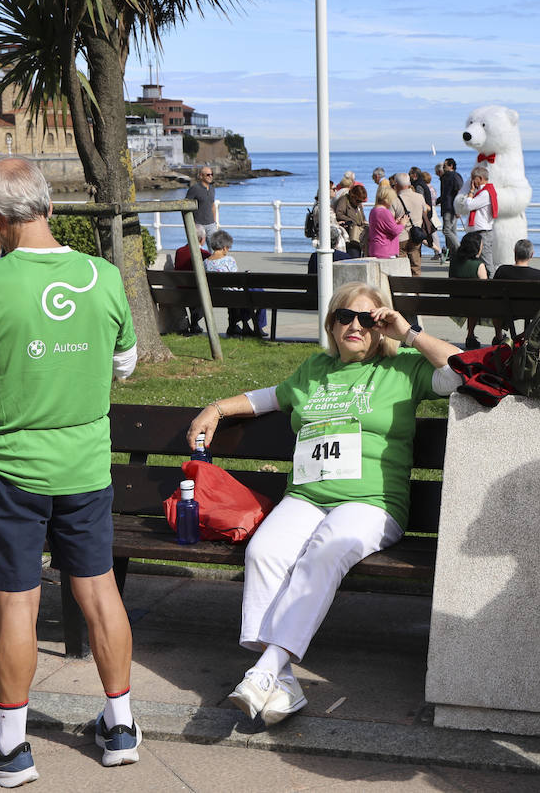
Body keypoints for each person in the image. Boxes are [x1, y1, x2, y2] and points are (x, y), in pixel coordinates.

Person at [0, 157, 140, 785]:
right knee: (99, 590)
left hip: (10, 469)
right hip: (85, 463)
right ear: (49, 207)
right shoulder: (103, 276)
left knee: (17, 604)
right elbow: (126, 364)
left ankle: (10, 748)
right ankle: (121, 726)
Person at [185, 282, 462, 728]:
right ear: (332, 325)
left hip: (372, 501)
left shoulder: (403, 368)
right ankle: (284, 681)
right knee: (264, 552)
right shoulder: (315, 369)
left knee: (326, 551)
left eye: (369, 319)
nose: (356, 325)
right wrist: (216, 408)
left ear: (381, 326)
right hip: (308, 496)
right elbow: (268, 398)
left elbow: (461, 371)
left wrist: (407, 333)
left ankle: (264, 668)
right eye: (345, 317)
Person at [205, 229, 267, 338]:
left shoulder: (205, 262)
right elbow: (235, 280)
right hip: (233, 295)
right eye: (228, 248)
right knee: (261, 294)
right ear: (224, 247)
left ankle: (239, 325)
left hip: (215, 295)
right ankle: (258, 326)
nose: (228, 250)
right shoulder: (229, 260)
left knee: (249, 294)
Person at [490, 238, 540, 345]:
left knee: (497, 303)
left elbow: (493, 294)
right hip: (532, 311)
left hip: (505, 309)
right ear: (531, 255)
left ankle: (499, 336)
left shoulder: (502, 271)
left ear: (514, 252)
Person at [455, 164, 498, 273]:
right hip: (480, 231)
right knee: (478, 261)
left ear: (480, 179)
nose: (471, 181)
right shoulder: (485, 191)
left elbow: (469, 205)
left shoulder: (485, 193)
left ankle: (492, 283)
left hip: (483, 232)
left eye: (473, 178)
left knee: (487, 261)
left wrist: (471, 192)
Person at [450, 230, 489, 349]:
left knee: (472, 300)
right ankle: (497, 336)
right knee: (477, 301)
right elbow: (486, 290)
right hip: (475, 305)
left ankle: (470, 335)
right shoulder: (479, 265)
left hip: (454, 303)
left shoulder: (454, 262)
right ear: (476, 248)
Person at [392, 172, 430, 276]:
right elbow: (425, 211)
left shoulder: (394, 200)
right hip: (416, 235)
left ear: (396, 184)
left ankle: (403, 289)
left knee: (401, 268)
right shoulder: (419, 197)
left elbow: (390, 219)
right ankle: (416, 289)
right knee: (416, 266)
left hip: (401, 237)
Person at [366, 181, 405, 259]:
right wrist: (402, 223)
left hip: (375, 247)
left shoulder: (374, 210)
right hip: (385, 250)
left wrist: (395, 222)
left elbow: (383, 226)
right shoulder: (385, 212)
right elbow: (395, 230)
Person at [438, 157, 464, 259]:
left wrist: (459, 208)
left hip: (450, 207)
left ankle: (459, 249)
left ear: (451, 166)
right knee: (452, 231)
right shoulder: (446, 177)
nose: (443, 167)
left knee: (446, 230)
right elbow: (446, 193)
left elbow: (459, 192)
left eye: (445, 165)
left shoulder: (453, 177)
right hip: (447, 206)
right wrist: (438, 200)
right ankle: (453, 253)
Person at [186, 165, 220, 239]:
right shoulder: (194, 188)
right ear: (201, 176)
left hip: (211, 225)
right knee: (197, 249)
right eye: (208, 175)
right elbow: (186, 206)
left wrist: (215, 222)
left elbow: (212, 205)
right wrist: (192, 224)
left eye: (212, 174)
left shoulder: (212, 189)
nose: (210, 176)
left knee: (214, 248)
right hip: (198, 225)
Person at [334, 183, 368, 257]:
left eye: (361, 201)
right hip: (349, 235)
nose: (359, 203)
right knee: (353, 256)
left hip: (359, 236)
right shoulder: (344, 200)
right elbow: (339, 213)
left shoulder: (358, 205)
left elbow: (362, 217)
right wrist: (351, 221)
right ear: (353, 196)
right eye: (358, 201)